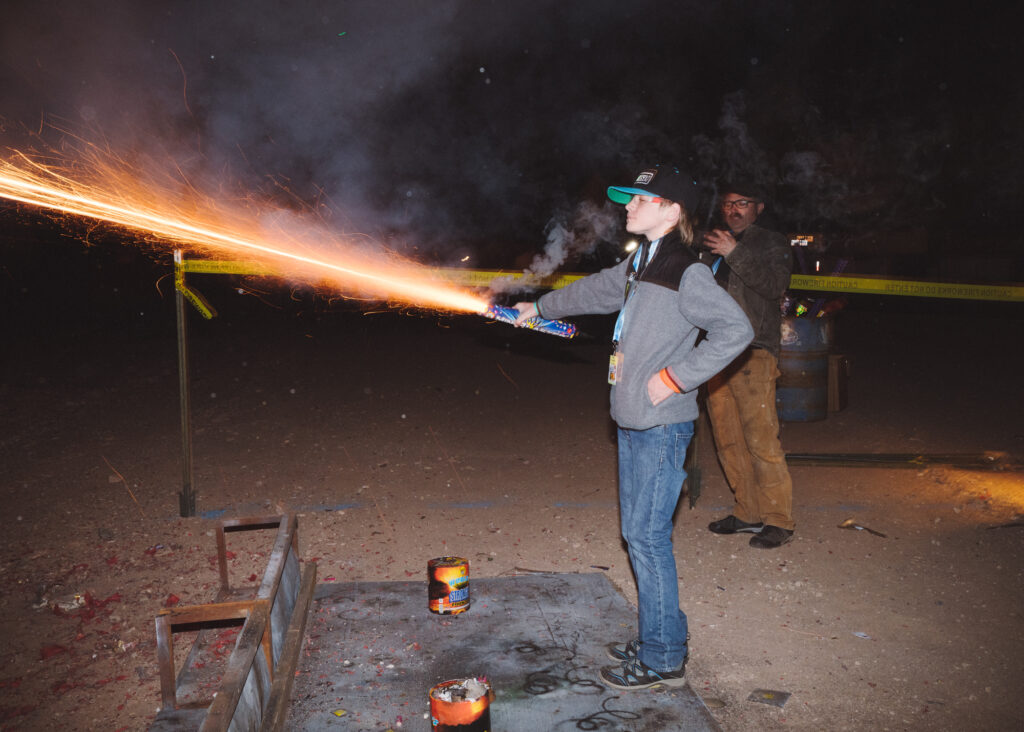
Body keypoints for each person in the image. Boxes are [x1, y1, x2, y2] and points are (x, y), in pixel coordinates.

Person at [513, 165, 753, 690]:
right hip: (631, 419)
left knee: (646, 540)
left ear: (672, 210)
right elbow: (598, 292)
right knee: (639, 535)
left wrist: (676, 378)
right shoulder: (642, 262)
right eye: (630, 199)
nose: (629, 205)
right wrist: (540, 306)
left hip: (660, 426)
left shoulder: (684, 269)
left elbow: (737, 330)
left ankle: (663, 655)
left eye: (642, 198)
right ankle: (662, 634)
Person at [700, 182, 796, 549]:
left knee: (760, 439)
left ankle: (779, 520)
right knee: (727, 438)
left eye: (742, 203)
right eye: (727, 204)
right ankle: (747, 512)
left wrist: (734, 251)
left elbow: (774, 286)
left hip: (753, 349)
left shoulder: (769, 242)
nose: (733, 210)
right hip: (714, 353)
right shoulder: (712, 246)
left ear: (759, 207)